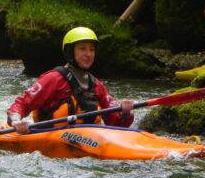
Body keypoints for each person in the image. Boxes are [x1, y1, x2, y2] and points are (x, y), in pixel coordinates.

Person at [7, 27, 135, 134]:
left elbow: (116, 125)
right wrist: (16, 121)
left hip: (91, 141)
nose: (88, 54)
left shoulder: (96, 85)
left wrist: (125, 113)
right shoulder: (54, 78)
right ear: (70, 52)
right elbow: (22, 104)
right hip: (52, 139)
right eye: (82, 48)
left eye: (92, 49)